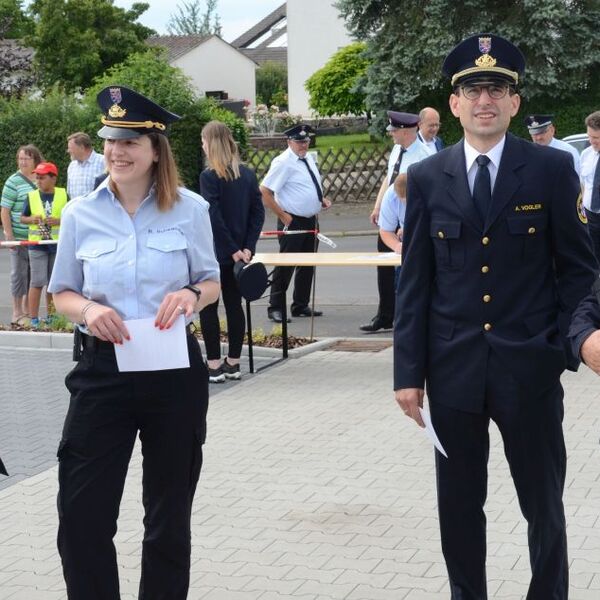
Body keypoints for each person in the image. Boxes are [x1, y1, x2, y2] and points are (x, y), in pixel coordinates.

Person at [393, 33, 597, 598]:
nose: (485, 99)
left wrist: (571, 340)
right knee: (458, 508)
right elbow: (415, 283)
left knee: (544, 507)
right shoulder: (430, 178)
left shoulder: (551, 170)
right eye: (473, 89)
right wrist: (407, 375)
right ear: (454, 104)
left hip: (528, 369)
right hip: (453, 372)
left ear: (515, 101)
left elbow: (579, 270)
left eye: (497, 89)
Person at [48, 85, 221, 600]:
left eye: (130, 142)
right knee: (82, 514)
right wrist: (89, 309)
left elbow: (211, 281)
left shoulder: (189, 209)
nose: (117, 151)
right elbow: (61, 293)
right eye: (110, 141)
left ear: (155, 149)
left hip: (173, 375)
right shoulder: (81, 213)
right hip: (102, 373)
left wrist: (192, 295)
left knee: (168, 516)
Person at [199, 120, 265, 383]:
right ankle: (234, 362)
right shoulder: (247, 174)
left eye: (203, 141)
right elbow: (258, 213)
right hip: (240, 256)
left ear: (210, 143)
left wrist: (233, 249)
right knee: (234, 306)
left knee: (208, 307)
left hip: (216, 253)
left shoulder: (208, 177)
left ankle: (214, 365)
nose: (202, 146)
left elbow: (213, 217)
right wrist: (247, 247)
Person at [360, 111, 430, 332]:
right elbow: (389, 180)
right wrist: (378, 206)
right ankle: (385, 315)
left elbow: (426, 196)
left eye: (394, 131)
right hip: (392, 213)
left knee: (408, 273)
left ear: (406, 131)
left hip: (412, 220)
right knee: (384, 267)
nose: (390, 134)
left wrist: (406, 224)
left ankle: (406, 316)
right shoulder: (397, 150)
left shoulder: (424, 155)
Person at [260, 124, 331, 323]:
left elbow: (309, 184)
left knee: (308, 263)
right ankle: (275, 307)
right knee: (286, 264)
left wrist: (320, 199)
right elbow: (265, 191)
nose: (304, 145)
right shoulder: (283, 162)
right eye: (299, 142)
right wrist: (282, 215)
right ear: (289, 141)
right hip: (292, 220)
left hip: (311, 219)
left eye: (306, 141)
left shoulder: (307, 158)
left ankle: (300, 304)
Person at [20, 162, 68, 327]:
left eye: (42, 178)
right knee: (37, 281)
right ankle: (33, 318)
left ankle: (52, 316)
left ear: (53, 178)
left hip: (57, 245)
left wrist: (59, 221)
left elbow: (71, 216)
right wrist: (31, 219)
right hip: (37, 246)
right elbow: (22, 218)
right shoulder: (32, 196)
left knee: (53, 283)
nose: (38, 181)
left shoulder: (63, 194)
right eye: (37, 177)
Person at [1, 144, 43, 325]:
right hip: (18, 238)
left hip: (36, 237)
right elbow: (4, 210)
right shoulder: (13, 181)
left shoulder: (41, 178)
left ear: (35, 160)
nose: (22, 162)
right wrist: (8, 236)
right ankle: (17, 312)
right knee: (18, 274)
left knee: (33, 274)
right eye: (20, 158)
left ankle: (27, 310)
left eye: (26, 158)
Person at [580, 111, 600, 263]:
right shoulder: (586, 154)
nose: (592, 141)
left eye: (596, 138)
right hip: (591, 216)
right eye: (590, 136)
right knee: (592, 258)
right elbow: (583, 185)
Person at [66, 132, 105, 199]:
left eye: (70, 148)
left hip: (97, 208)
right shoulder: (72, 166)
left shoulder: (103, 162)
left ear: (81, 147)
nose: (68, 151)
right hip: (76, 208)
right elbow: (69, 192)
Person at [378, 173, 407, 255]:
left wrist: (410, 229)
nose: (406, 205)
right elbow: (386, 231)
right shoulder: (391, 196)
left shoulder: (429, 192)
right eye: (403, 202)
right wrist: (397, 246)